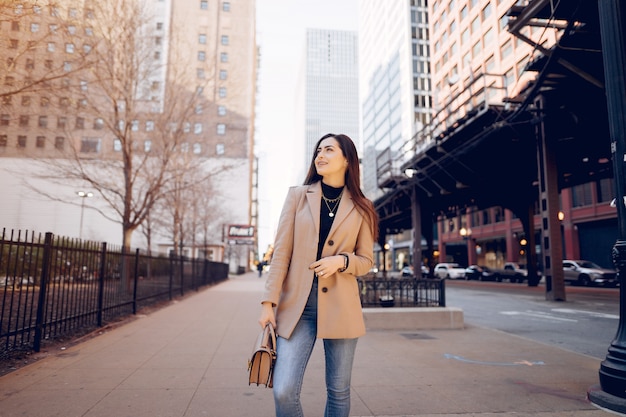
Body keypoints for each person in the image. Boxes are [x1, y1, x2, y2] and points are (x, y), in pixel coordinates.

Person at [258, 133, 379, 417]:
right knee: (284, 390)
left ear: (347, 160)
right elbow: (281, 255)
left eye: (328, 150)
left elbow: (366, 262)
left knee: (338, 391)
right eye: (318, 151)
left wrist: (341, 261)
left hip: (341, 305)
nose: (320, 156)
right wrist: (268, 303)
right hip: (298, 306)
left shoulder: (363, 207)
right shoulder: (298, 197)